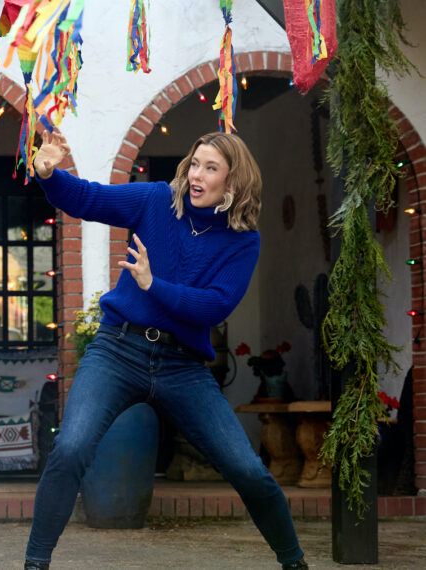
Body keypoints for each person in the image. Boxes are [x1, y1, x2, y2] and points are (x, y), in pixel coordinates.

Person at [23, 132, 308, 570]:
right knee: (72, 448)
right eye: (195, 164)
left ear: (233, 181)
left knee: (248, 471)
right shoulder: (156, 200)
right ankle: (35, 563)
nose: (196, 175)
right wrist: (48, 174)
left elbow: (215, 306)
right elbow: (88, 199)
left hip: (182, 366)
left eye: (210, 168)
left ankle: (294, 563)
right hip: (119, 349)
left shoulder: (242, 240)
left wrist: (154, 285)